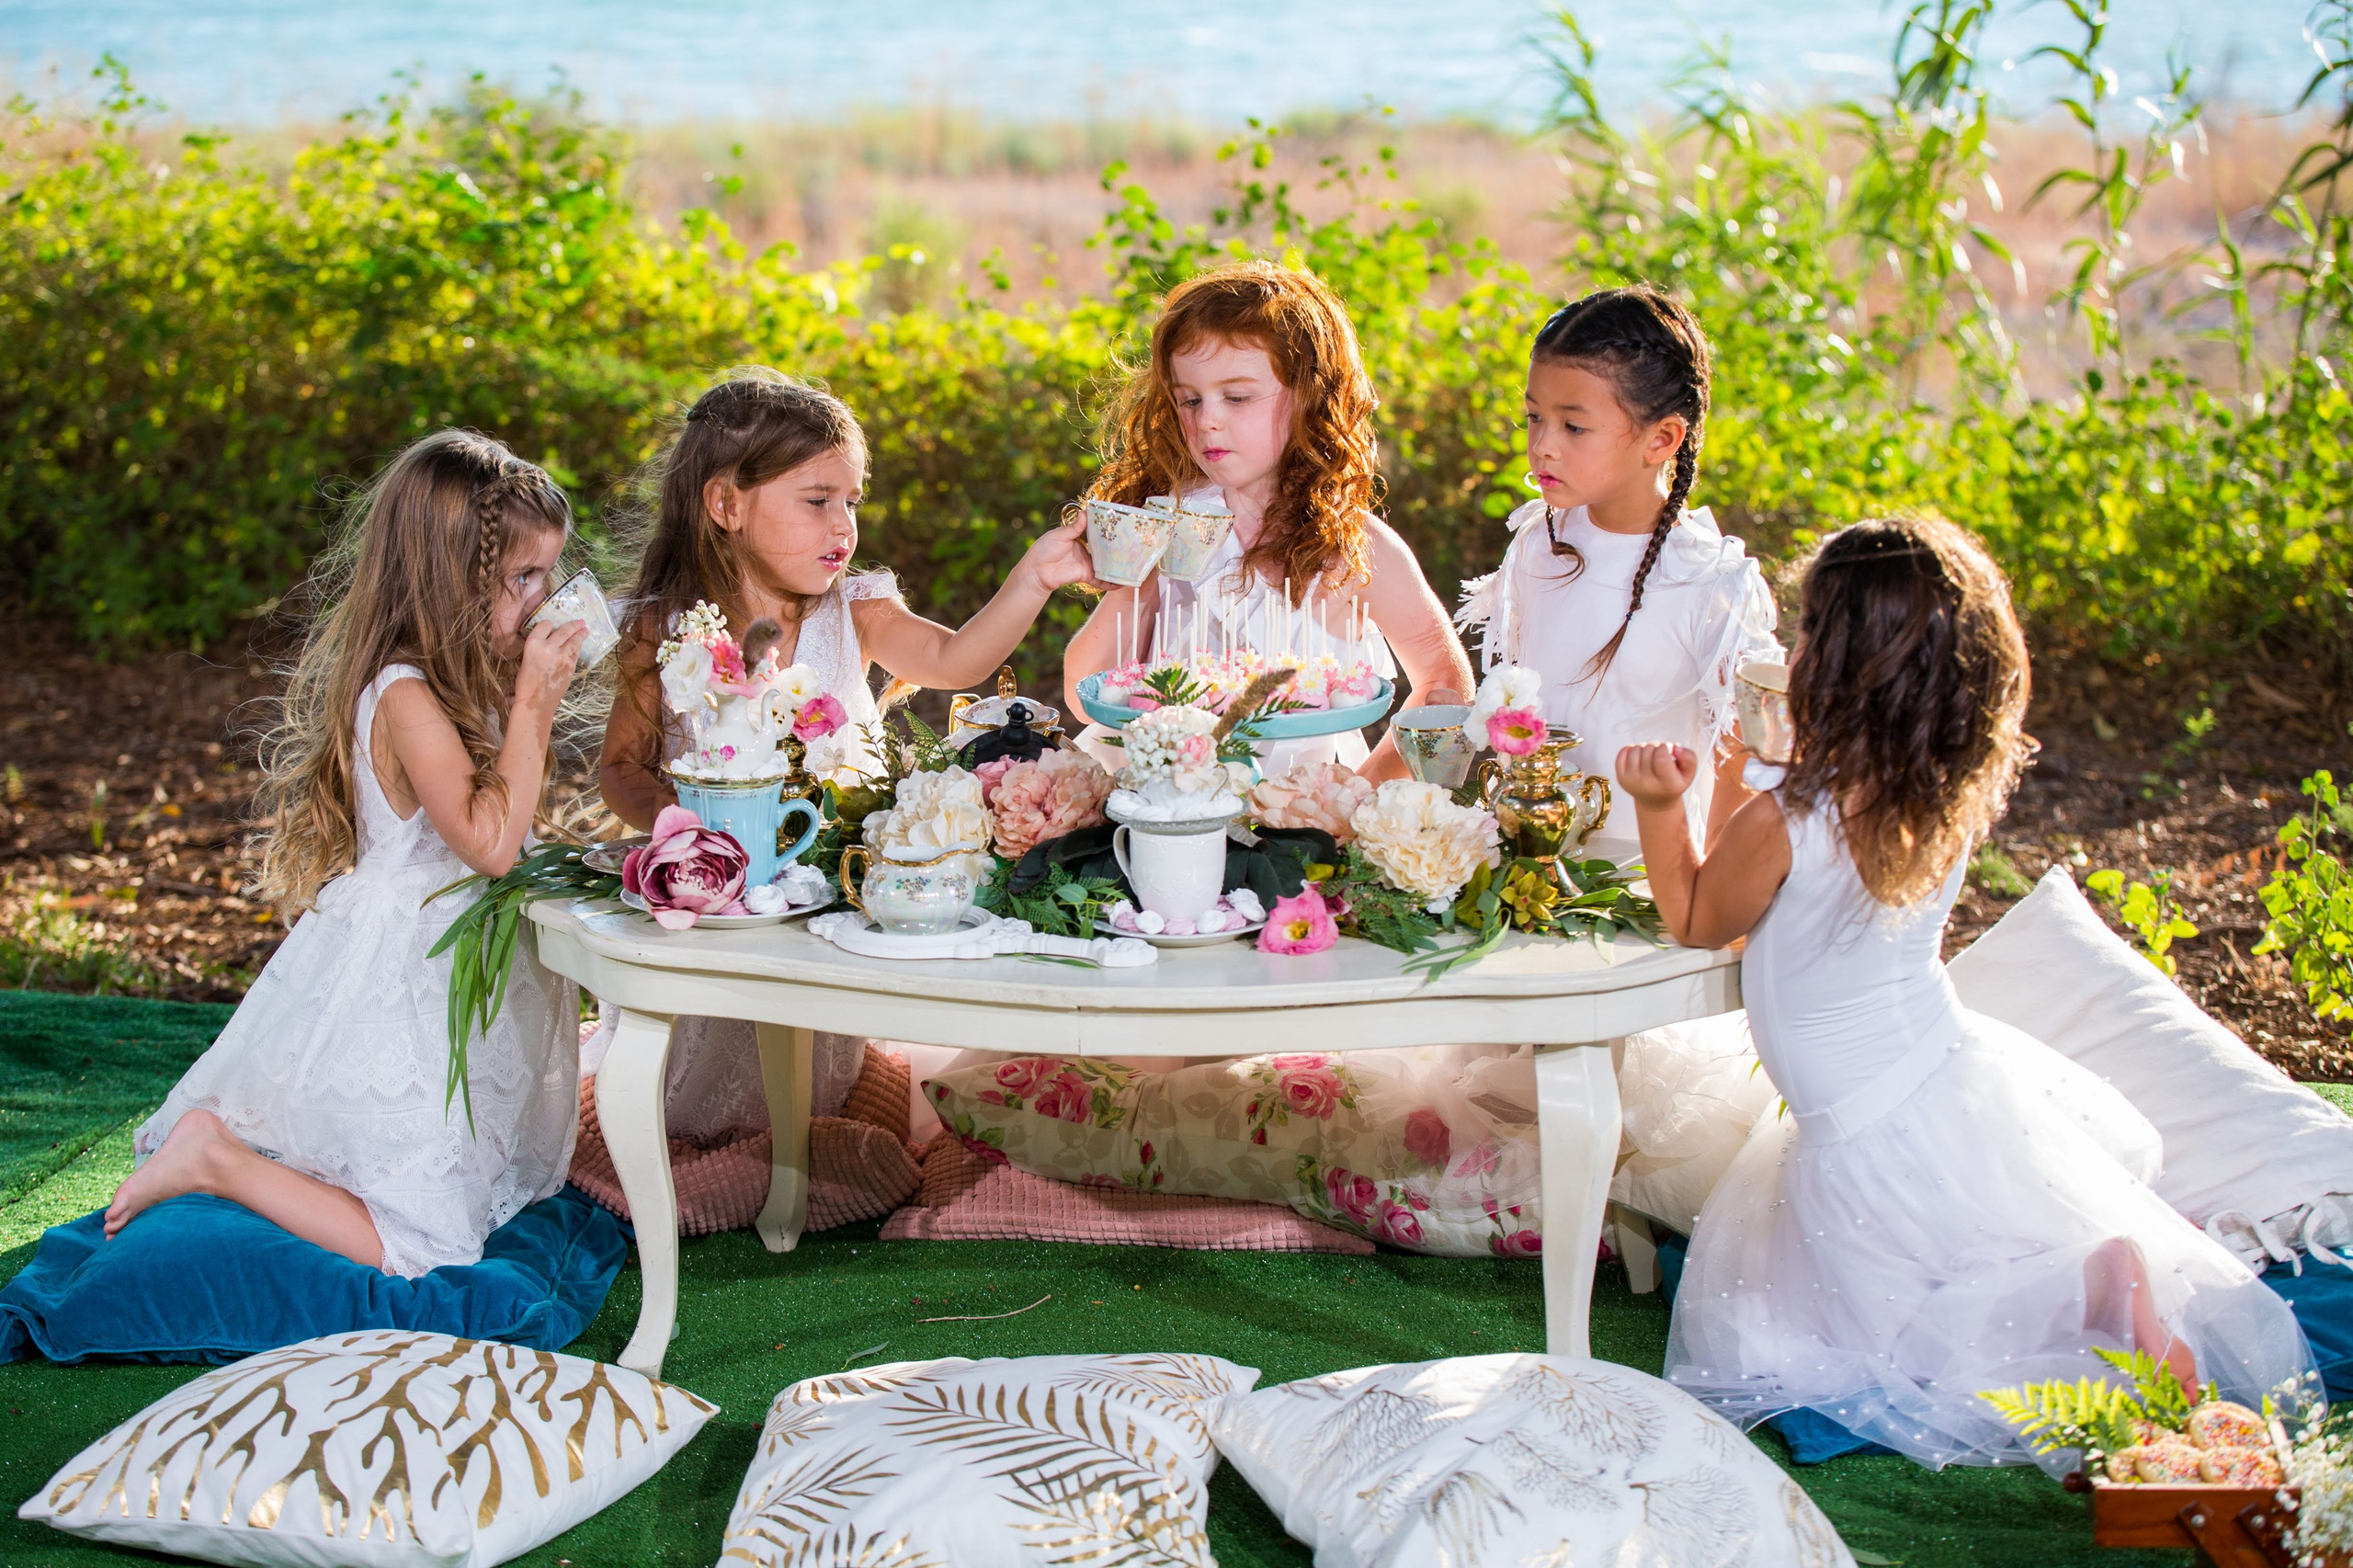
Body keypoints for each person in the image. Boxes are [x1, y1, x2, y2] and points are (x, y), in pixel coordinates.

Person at [1627, 515, 2311, 1470]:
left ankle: (2084, 1295)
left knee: (1868, 1336)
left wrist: (1662, 804)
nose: (1792, 646)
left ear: (1834, 662)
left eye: (1808, 628)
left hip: (1854, 1125)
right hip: (1933, 1076)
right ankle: (2090, 1273)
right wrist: (1745, 769)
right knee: (1957, 1239)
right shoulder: (1930, 789)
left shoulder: (1789, 817)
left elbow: (1703, 917)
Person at [107, 431, 589, 1274]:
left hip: (447, 964)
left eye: (547, 574)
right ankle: (217, 1160)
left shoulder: (456, 677)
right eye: (523, 579)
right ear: (452, 581)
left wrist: (522, 702)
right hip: (405, 976)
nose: (542, 601)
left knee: (478, 1188)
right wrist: (535, 708)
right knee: (426, 1247)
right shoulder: (405, 694)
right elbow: (489, 846)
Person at [597, 368, 1102, 1142]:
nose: (844, 526)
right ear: (726, 504)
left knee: (818, 1102)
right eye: (816, 500)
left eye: (853, 502)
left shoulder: (855, 608)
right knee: (693, 1116)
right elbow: (621, 766)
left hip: (829, 907)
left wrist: (1034, 577)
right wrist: (685, 835)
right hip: (714, 921)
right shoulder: (662, 628)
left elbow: (958, 659)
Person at [1062, 260, 1472, 780]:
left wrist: (1359, 795)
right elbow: (1086, 694)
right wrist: (1137, 579)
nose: (1207, 418)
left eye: (1236, 396)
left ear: (1309, 396)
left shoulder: (1350, 547)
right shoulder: (1168, 524)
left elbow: (1444, 679)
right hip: (1158, 805)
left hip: (1303, 825)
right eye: (1189, 398)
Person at [1458, 284, 1779, 864]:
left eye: (1573, 427)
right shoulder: (1538, 544)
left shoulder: (1712, 581)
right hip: (1527, 872)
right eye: (1534, 417)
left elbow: (1742, 762)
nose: (1542, 447)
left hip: (1650, 888)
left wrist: (1707, 909)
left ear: (1662, 439)